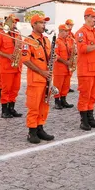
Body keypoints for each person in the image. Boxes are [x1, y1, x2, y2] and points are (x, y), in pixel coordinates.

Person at [21, 14, 55, 143]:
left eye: (44, 23)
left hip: (47, 79)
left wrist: (54, 57)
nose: (43, 25)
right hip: (36, 79)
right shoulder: (28, 40)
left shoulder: (46, 40)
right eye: (40, 23)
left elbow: (49, 56)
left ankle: (40, 128)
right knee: (34, 106)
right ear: (33, 24)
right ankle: (32, 131)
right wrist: (41, 71)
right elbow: (25, 60)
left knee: (44, 105)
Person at [75, 7, 95, 130]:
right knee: (85, 95)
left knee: (93, 95)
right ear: (86, 17)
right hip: (86, 70)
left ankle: (90, 118)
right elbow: (83, 49)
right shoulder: (80, 32)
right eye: (93, 17)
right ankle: (83, 120)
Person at [0, 15, 24, 119]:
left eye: (16, 22)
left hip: (17, 66)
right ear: (7, 22)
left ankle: (11, 108)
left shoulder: (18, 34)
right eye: (13, 22)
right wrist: (8, 56)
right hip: (7, 67)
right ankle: (4, 110)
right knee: (6, 89)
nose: (14, 24)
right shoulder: (1, 34)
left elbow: (21, 48)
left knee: (15, 89)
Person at [52, 24, 75, 110]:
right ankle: (57, 102)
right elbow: (55, 55)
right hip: (60, 68)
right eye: (65, 31)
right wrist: (66, 62)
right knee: (58, 85)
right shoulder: (57, 42)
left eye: (68, 31)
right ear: (61, 31)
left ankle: (63, 100)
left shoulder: (69, 41)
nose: (67, 33)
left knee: (66, 85)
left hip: (68, 68)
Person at [65, 19, 76, 93]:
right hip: (66, 54)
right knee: (66, 73)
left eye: (72, 25)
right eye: (69, 25)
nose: (71, 26)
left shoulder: (72, 34)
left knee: (70, 72)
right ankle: (65, 87)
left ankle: (67, 86)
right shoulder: (64, 33)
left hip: (72, 54)